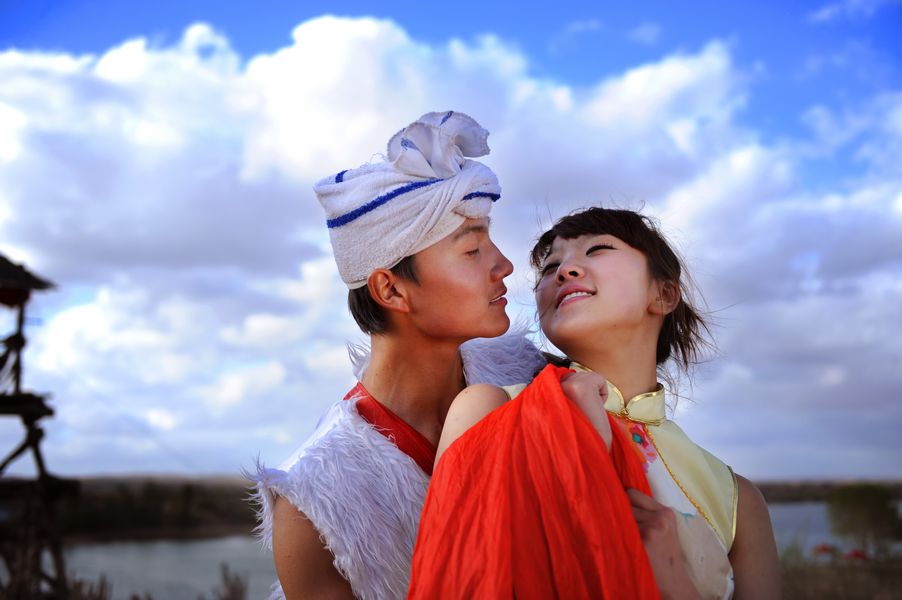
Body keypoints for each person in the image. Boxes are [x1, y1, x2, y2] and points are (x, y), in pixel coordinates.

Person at [408, 208, 780, 599]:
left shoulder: (737, 499)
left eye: (597, 249)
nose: (564, 271)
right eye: (550, 267)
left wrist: (674, 581)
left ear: (664, 294)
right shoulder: (488, 410)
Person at [250, 111, 547, 600]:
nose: (505, 265)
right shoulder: (315, 505)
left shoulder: (529, 375)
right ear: (390, 289)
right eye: (472, 250)